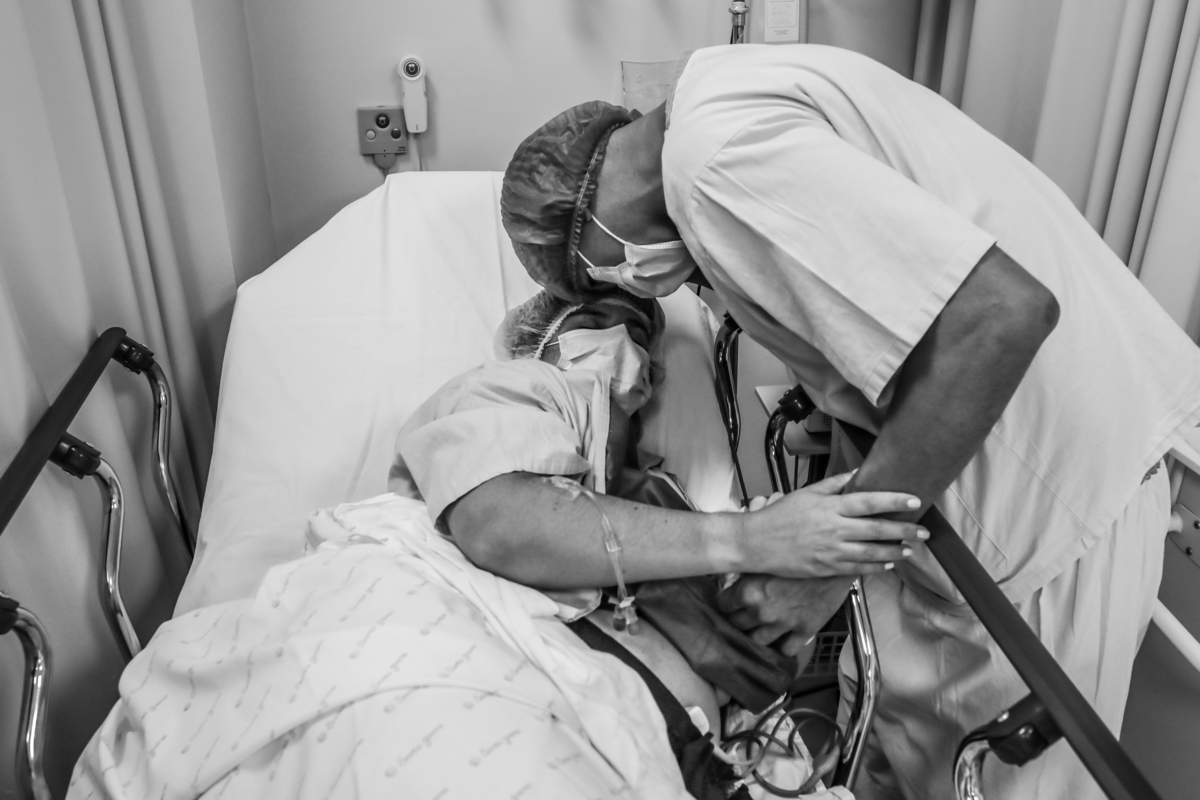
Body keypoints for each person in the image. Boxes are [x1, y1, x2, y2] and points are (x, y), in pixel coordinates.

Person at [498, 44, 1200, 800]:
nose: (631, 288)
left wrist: (824, 569)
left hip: (1047, 497)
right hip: (984, 491)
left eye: (598, 275)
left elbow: (1002, 317)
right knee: (898, 749)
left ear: (585, 219)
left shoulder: (712, 167)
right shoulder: (730, 92)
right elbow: (891, 324)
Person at [388, 289, 927, 797]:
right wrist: (749, 540)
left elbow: (766, 658)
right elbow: (499, 526)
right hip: (516, 718)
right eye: (593, 322)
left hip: (678, 757)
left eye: (640, 337)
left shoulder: (663, 501)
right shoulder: (513, 389)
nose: (622, 340)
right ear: (543, 344)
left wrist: (773, 577)